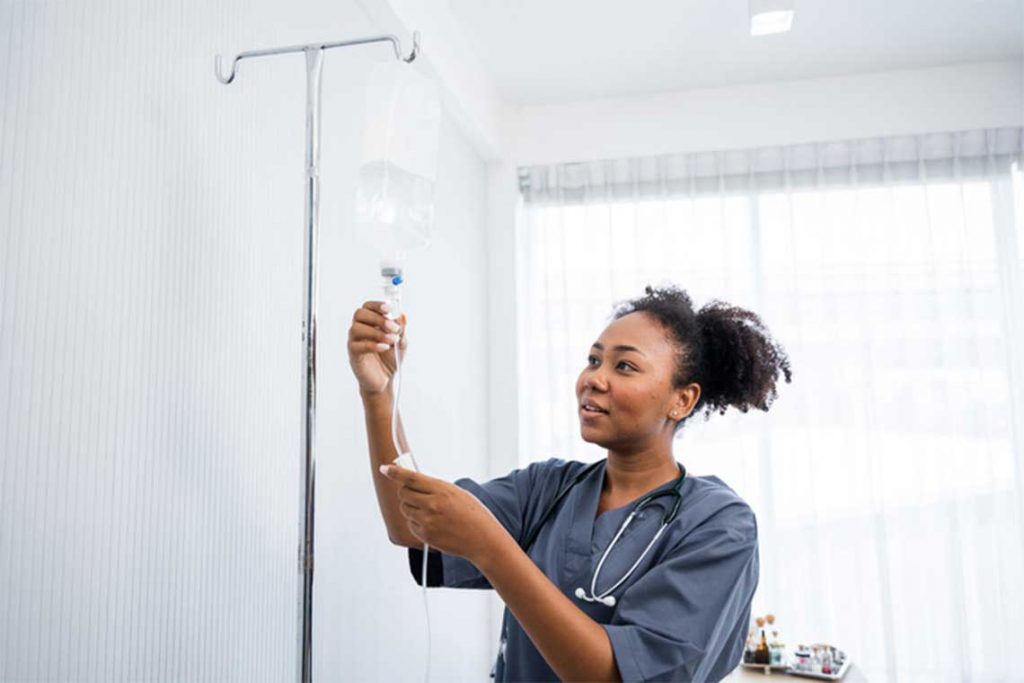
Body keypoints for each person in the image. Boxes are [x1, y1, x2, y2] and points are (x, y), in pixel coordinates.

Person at [348, 284, 792, 682]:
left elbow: (614, 677)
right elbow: (411, 527)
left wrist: (491, 547)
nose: (594, 379)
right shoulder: (550, 488)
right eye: (594, 360)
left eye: (624, 366)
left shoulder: (717, 524)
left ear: (682, 399)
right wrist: (380, 394)